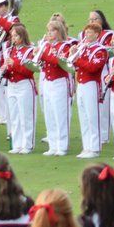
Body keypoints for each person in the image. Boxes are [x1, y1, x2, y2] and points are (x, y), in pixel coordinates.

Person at [70, 23, 108, 159]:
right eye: (86, 32)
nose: (86, 35)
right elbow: (74, 64)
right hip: (81, 83)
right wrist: (73, 54)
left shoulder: (100, 50)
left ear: (97, 34)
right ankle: (86, 147)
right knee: (84, 117)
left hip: (92, 84)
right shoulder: (83, 47)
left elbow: (93, 67)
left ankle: (95, 148)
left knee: (93, 117)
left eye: (90, 33)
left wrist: (77, 59)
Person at [37, 21, 75, 157]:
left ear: (59, 32)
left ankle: (62, 145)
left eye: (52, 30)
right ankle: (52, 145)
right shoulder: (46, 46)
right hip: (47, 82)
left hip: (60, 82)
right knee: (49, 114)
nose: (49, 33)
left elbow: (59, 61)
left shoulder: (65, 46)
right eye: (48, 30)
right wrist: (38, 56)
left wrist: (43, 55)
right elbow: (42, 65)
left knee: (60, 114)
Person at [0, 24, 37, 154]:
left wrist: (14, 64)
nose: (13, 38)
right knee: (14, 116)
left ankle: (27, 145)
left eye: (16, 35)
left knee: (25, 116)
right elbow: (4, 68)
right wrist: (4, 70)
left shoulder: (29, 50)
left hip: (24, 84)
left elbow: (29, 71)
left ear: (22, 36)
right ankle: (17, 144)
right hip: (12, 85)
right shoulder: (8, 51)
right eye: (12, 36)